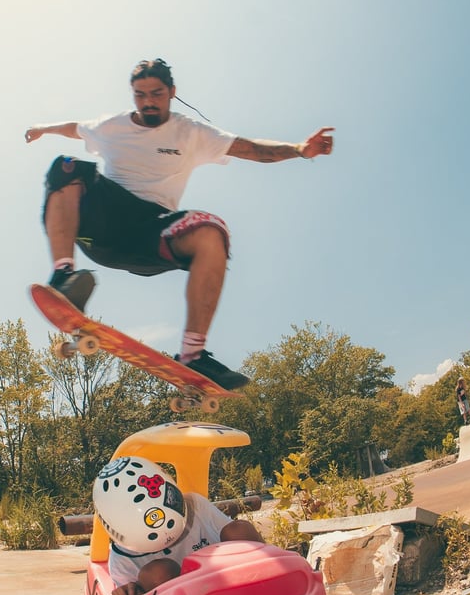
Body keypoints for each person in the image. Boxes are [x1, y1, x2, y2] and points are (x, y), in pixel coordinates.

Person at [25, 58, 334, 389]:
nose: (148, 102)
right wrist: (44, 128)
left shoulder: (191, 132)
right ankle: (64, 279)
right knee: (68, 165)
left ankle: (194, 355)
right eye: (140, 95)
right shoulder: (112, 126)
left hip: (151, 230)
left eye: (156, 94)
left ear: (172, 92)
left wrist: (301, 149)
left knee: (211, 230)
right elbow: (75, 128)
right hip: (103, 223)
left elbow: (251, 149)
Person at [92, 456, 264, 595]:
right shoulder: (122, 559)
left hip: (226, 583)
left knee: (240, 529)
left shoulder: (195, 506)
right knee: (158, 572)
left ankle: (268, 584)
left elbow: (235, 533)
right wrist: (129, 591)